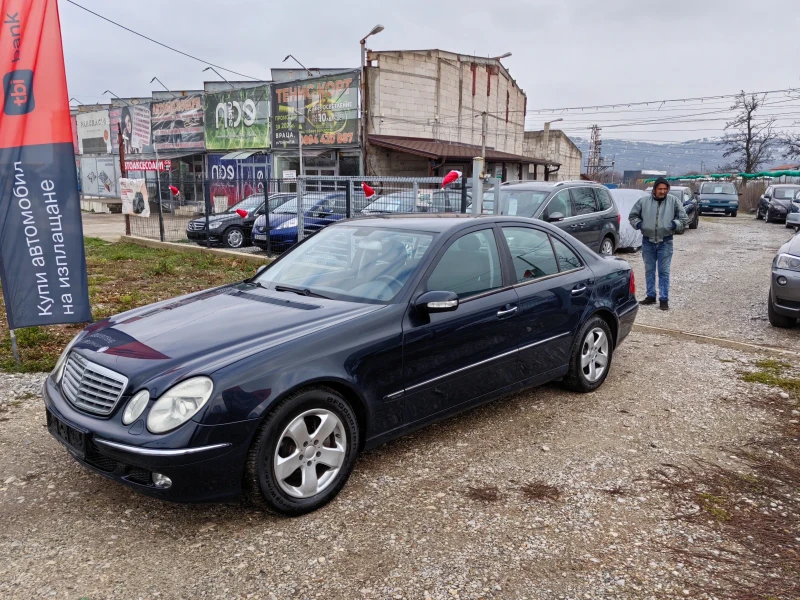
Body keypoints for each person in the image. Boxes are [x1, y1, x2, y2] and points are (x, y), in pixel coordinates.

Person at [629, 177, 689, 311]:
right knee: (649, 270)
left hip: (665, 242)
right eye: (660, 189)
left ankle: (664, 299)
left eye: (665, 189)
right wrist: (639, 224)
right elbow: (632, 216)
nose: (662, 191)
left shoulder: (674, 201)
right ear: (654, 189)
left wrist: (675, 225)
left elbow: (684, 219)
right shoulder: (643, 202)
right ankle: (650, 295)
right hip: (647, 241)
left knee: (664, 272)